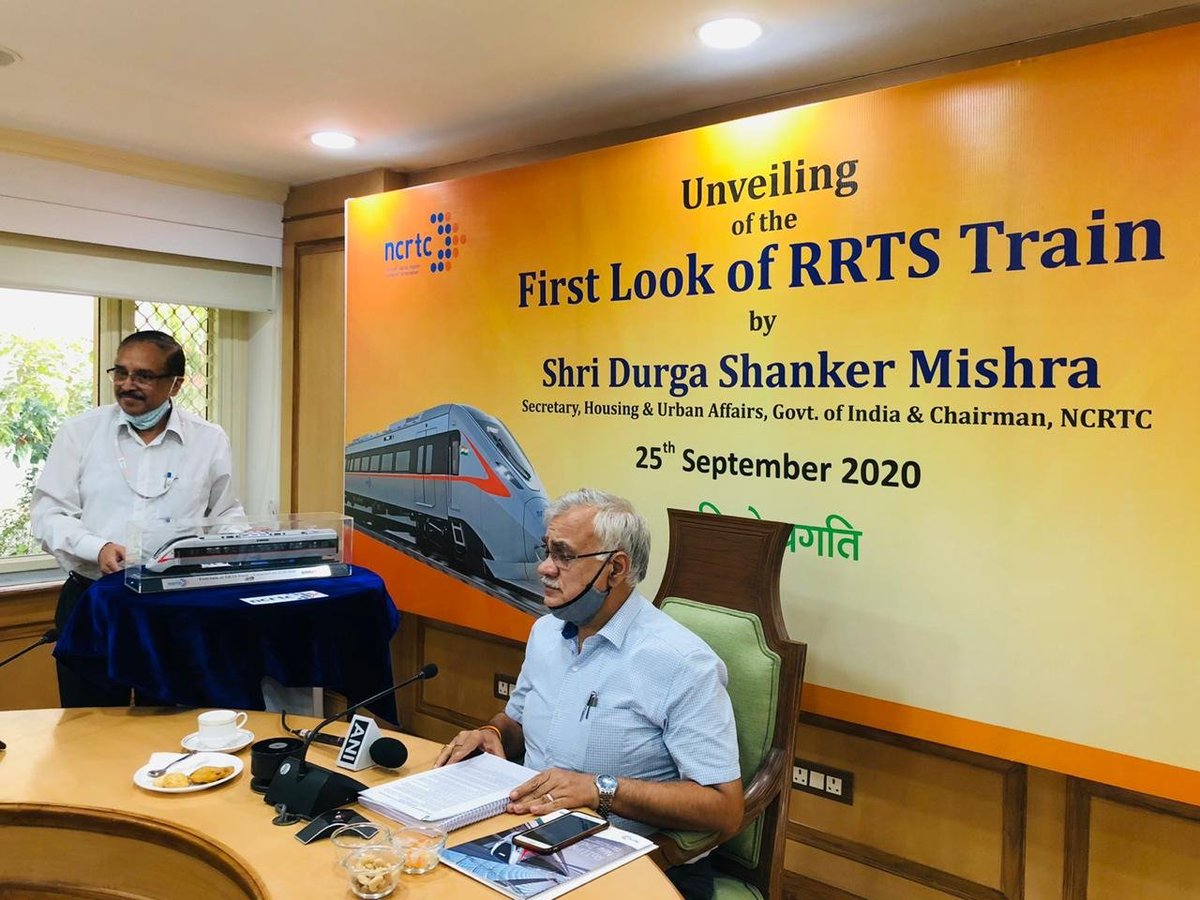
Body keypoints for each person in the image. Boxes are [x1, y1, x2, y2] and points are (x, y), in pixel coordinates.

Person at [435, 488, 742, 899]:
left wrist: (600, 789)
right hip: (524, 841)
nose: (545, 568)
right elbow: (516, 721)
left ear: (615, 569)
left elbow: (723, 807)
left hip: (635, 864)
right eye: (546, 550)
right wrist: (492, 733)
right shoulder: (545, 632)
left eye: (563, 555)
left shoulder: (681, 662)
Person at [30, 330, 245, 707]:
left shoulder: (208, 439)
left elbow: (226, 514)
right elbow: (49, 514)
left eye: (143, 376)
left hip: (177, 606)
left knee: (171, 722)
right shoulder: (80, 432)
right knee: (88, 727)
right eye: (121, 372)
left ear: (175, 384)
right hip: (93, 602)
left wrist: (238, 552)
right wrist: (97, 548)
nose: (127, 385)